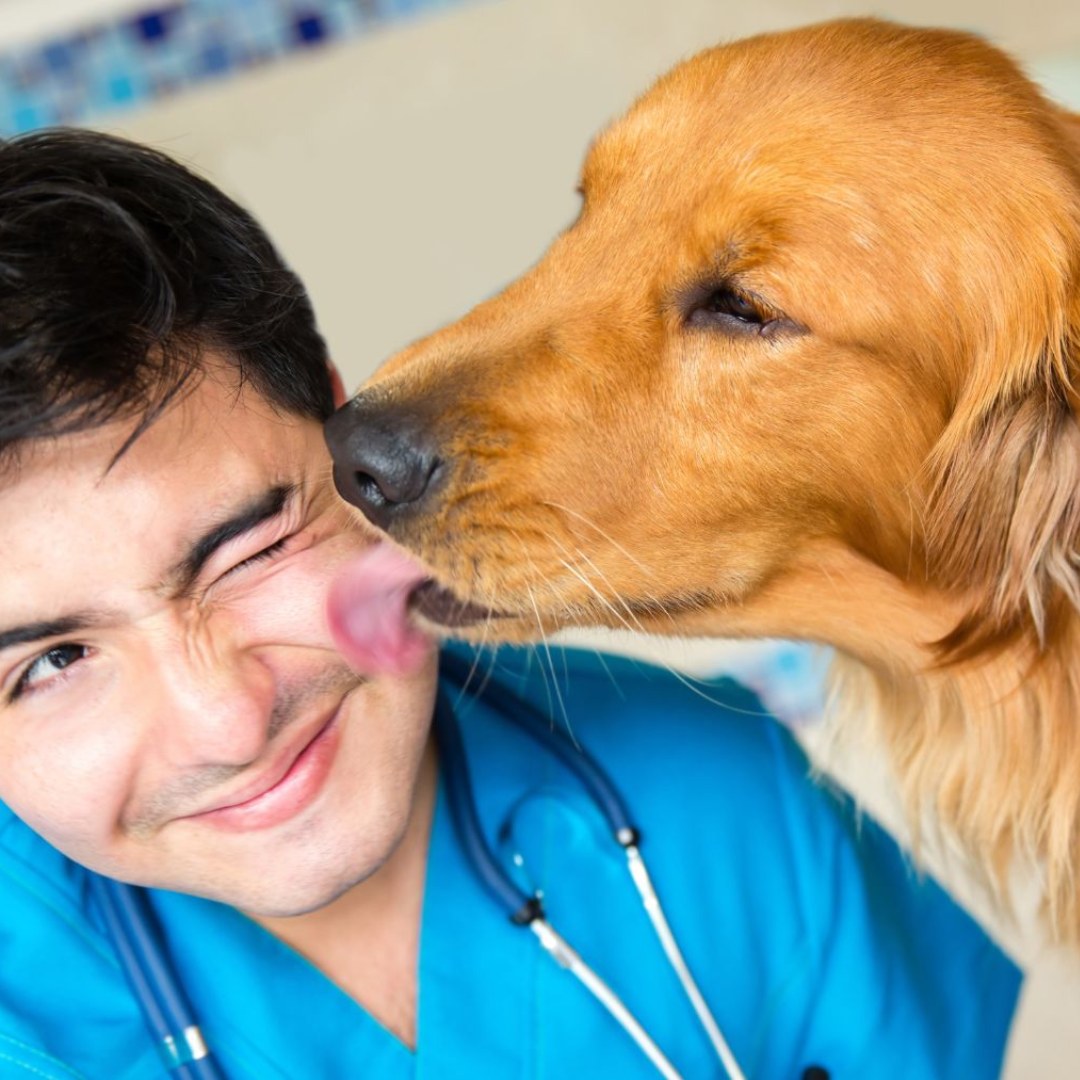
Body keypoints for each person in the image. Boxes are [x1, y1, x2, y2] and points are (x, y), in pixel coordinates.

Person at [0, 127, 1019, 1080]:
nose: (226, 719)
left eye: (250, 549)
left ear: (342, 425)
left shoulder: (725, 793)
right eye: (52, 663)